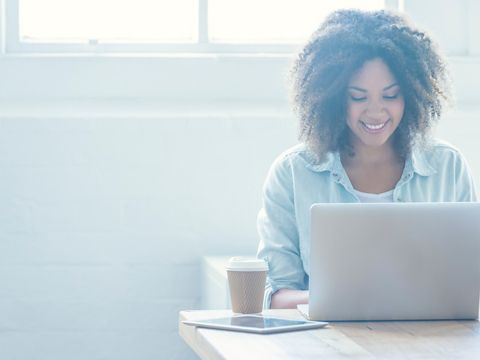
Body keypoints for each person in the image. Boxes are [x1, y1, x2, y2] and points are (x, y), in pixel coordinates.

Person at [256, 9, 477, 310]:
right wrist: (347, 300)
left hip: (430, 343)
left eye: (390, 96)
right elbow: (276, 295)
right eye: (358, 97)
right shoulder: (293, 173)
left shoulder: (447, 167)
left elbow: (468, 281)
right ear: (332, 97)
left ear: (412, 95)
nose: (375, 112)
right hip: (329, 345)